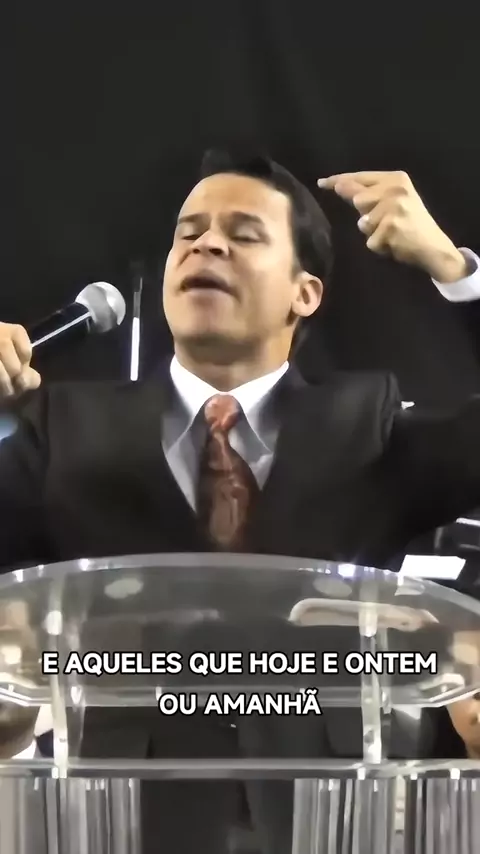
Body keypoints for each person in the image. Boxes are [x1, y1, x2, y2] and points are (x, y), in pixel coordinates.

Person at [1, 150, 480, 852]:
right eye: (188, 233)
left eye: (245, 234)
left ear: (304, 293)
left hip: (328, 818)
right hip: (119, 817)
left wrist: (458, 273)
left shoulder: (367, 423)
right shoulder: (65, 427)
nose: (207, 245)